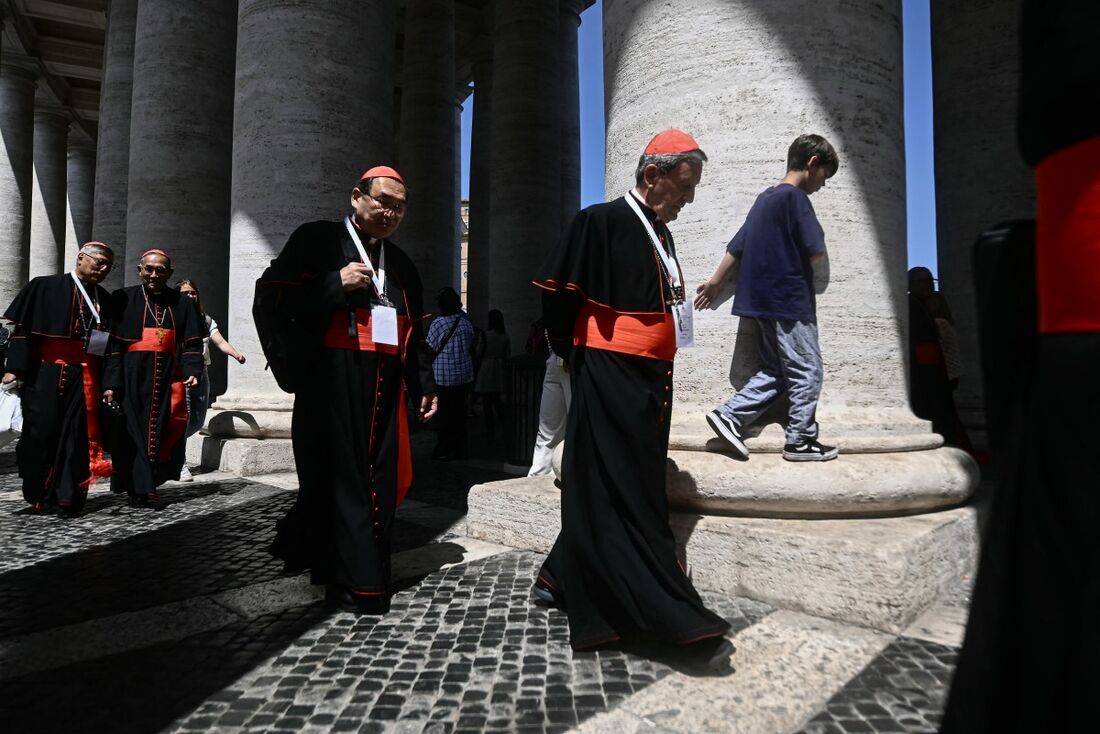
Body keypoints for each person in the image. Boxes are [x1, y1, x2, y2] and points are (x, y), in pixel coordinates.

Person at [532, 129, 732, 672]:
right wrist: (576, 360)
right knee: (624, 487)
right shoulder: (599, 221)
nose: (689, 200)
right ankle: (653, 609)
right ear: (653, 176)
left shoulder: (661, 235)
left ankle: (560, 574)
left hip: (650, 378)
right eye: (684, 188)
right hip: (610, 371)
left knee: (623, 478)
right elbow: (557, 300)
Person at [263, 166, 438, 615]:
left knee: (378, 479)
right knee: (336, 482)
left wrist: (424, 383)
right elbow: (271, 301)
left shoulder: (400, 264)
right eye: (382, 201)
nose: (390, 212)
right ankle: (352, 580)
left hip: (384, 387)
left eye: (399, 207)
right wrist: (331, 285)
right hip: (332, 384)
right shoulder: (315, 241)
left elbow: (414, 332)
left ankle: (365, 572)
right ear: (356, 197)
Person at [695, 133, 839, 462]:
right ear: (812, 163)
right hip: (789, 300)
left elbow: (737, 245)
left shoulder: (764, 199)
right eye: (824, 176)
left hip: (758, 302)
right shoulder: (797, 199)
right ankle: (800, 440)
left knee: (777, 369)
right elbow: (815, 253)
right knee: (808, 371)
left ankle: (729, 416)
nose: (823, 185)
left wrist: (716, 281)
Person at [1, 242, 116, 516]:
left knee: (77, 437)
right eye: (98, 262)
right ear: (80, 258)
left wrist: (109, 382)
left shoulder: (105, 299)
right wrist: (15, 369)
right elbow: (22, 332)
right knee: (40, 434)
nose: (102, 269)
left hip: (85, 376)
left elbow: (108, 346)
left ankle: (69, 497)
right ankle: (40, 493)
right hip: (45, 373)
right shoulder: (43, 287)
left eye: (108, 266)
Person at [102, 249, 204, 505]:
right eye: (148, 269)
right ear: (140, 270)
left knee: (162, 431)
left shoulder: (183, 303)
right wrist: (111, 383)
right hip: (131, 375)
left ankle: (149, 483)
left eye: (160, 270)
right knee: (132, 433)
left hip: (167, 376)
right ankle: (143, 487)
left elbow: (192, 344)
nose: (153, 274)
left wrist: (193, 371)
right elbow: (113, 346)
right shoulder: (123, 298)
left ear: (169, 273)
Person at [175, 279, 246, 481]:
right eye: (185, 293)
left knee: (197, 421)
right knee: (185, 418)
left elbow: (220, 341)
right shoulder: (174, 317)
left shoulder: (204, 320)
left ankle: (170, 446)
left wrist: (236, 354)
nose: (190, 296)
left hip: (202, 372)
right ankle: (180, 464)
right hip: (183, 373)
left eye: (192, 293)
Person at [906, 266, 972, 451]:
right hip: (924, 368)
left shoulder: (933, 302)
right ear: (911, 284)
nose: (927, 286)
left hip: (936, 367)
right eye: (921, 282)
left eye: (929, 281)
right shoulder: (911, 304)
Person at [426, 287, 474, 460]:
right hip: (464, 375)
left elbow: (430, 348)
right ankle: (461, 449)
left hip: (443, 377)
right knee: (460, 415)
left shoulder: (438, 323)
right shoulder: (466, 322)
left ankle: (445, 449)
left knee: (444, 416)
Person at [527, 319, 571, 477]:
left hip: (570, 355)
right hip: (556, 356)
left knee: (575, 426)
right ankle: (537, 477)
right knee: (547, 430)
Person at [473, 309, 510, 438]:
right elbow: (507, 354)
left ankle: (490, 430)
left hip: (486, 369)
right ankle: (506, 426)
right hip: (499, 369)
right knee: (497, 401)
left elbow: (478, 352)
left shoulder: (485, 335)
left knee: (487, 403)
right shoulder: (505, 335)